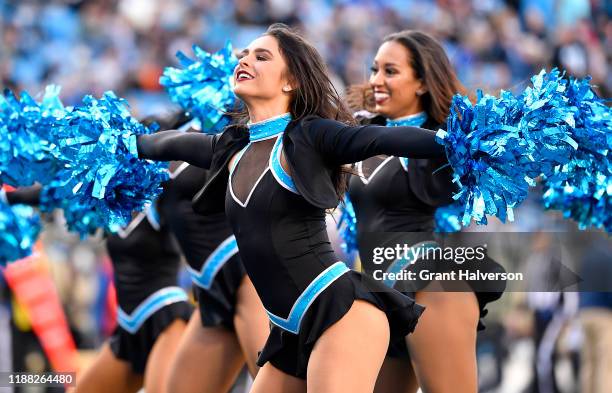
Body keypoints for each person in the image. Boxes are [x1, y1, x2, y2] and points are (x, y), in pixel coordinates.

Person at [136, 23, 449, 392]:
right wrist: (126, 145)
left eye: (262, 56)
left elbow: (380, 137)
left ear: (290, 82)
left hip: (340, 314)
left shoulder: (311, 136)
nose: (246, 59)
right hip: (286, 333)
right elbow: (169, 143)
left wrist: (455, 141)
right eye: (245, 54)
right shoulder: (231, 148)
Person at [346, 30, 505, 393]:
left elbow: (482, 156)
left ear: (420, 83)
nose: (376, 81)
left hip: (430, 286)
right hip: (380, 295)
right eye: (374, 70)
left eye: (390, 71)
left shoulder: (444, 141)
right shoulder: (363, 136)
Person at [5, 186, 191, 393]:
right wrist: (7, 197)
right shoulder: (109, 203)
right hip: (129, 327)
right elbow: (56, 192)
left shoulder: (161, 196)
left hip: (166, 319)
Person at [147, 115, 269, 393]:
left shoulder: (229, 117)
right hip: (208, 289)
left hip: (245, 276)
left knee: (271, 383)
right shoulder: (163, 135)